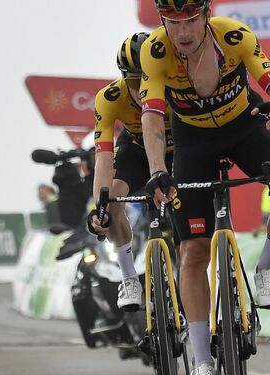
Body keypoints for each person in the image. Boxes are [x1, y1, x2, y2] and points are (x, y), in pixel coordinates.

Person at [138, 0, 270, 375]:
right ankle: (201, 361)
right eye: (173, 22)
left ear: (205, 16)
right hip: (193, 143)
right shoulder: (156, 52)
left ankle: (266, 268)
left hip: (245, 127)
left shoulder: (235, 36)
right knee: (193, 253)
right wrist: (157, 168)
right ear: (163, 21)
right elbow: (152, 116)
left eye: (191, 20)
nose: (183, 31)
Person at [88, 32, 175, 312]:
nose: (142, 88)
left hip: (179, 147)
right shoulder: (109, 98)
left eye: (147, 78)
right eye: (134, 81)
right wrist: (99, 207)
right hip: (136, 148)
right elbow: (103, 159)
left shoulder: (177, 85)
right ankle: (128, 277)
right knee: (112, 199)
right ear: (124, 79)